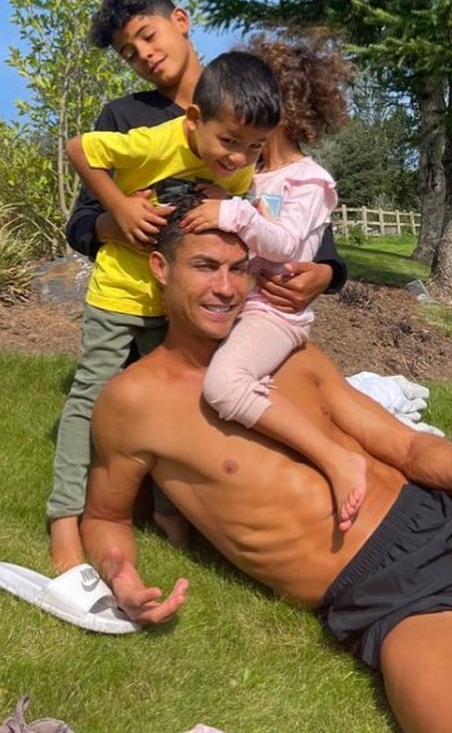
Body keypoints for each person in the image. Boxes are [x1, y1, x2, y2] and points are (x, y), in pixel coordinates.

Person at [81, 208, 452, 733]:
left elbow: (405, 445)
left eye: (239, 269)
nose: (226, 288)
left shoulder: (293, 354)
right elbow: (105, 515)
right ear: (161, 267)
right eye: (205, 267)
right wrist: (119, 574)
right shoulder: (134, 403)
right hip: (396, 600)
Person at [47, 50, 279, 573]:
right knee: (92, 396)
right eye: (228, 142)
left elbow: (237, 203)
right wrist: (119, 206)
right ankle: (64, 518)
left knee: (182, 403)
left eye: (254, 148)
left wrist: (226, 196)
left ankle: (178, 516)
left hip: (179, 304)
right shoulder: (156, 140)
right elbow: (79, 147)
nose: (239, 158)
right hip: (123, 292)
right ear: (194, 121)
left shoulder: (237, 171)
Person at [178, 31, 365, 530]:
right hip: (240, 301)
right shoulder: (247, 176)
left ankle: (334, 457)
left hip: (275, 311)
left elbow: (282, 242)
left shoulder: (310, 180)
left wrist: (231, 211)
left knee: (223, 385)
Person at [68, 0, 348, 307]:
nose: (144, 53)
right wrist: (120, 220)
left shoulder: (245, 103)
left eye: (148, 35)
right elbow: (81, 222)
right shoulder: (122, 117)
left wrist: (327, 269)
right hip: (144, 307)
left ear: (181, 21)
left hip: (230, 308)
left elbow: (293, 188)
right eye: (129, 54)